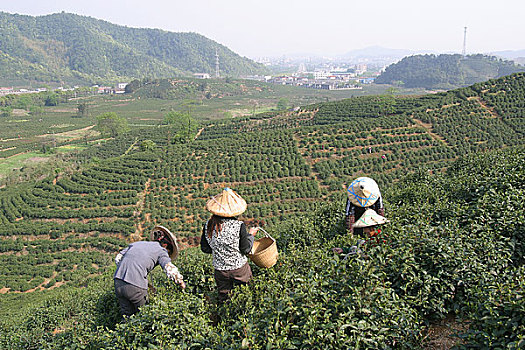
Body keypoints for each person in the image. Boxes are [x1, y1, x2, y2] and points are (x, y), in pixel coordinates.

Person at [200, 188, 258, 303]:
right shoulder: (238, 226)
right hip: (239, 269)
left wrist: (219, 249)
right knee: (248, 293)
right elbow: (245, 248)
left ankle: (227, 318)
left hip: (220, 271)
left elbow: (205, 248)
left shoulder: (209, 225)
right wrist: (251, 235)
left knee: (225, 299)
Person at [114, 225, 185, 317]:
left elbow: (118, 258)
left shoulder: (136, 244)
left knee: (127, 316)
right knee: (145, 314)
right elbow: (168, 267)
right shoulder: (161, 251)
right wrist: (180, 282)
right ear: (166, 245)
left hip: (118, 282)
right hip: (135, 287)